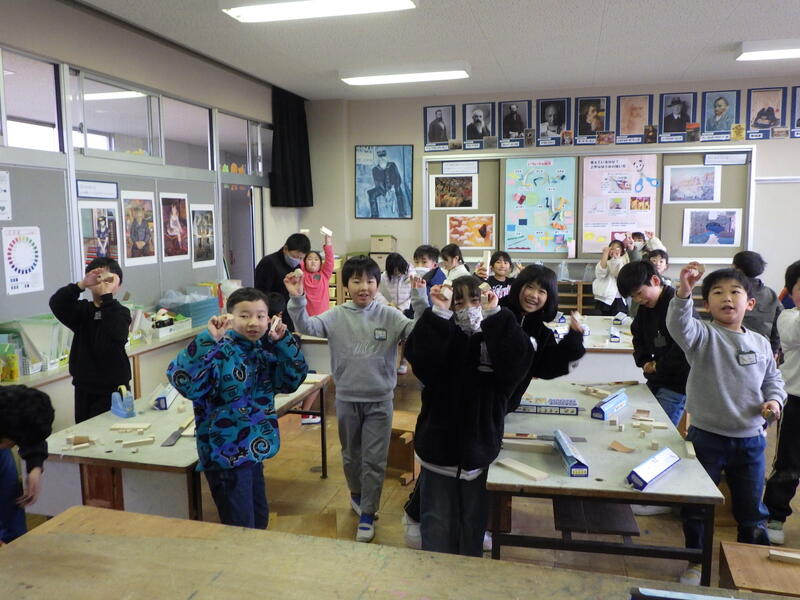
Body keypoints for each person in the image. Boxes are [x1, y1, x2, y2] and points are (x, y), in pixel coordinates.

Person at [285, 255, 428, 543]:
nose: (364, 287)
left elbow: (419, 331)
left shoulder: (389, 315)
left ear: (377, 284)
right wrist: (298, 298)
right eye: (356, 281)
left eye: (370, 281)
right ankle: (357, 494)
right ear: (346, 285)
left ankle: (368, 514)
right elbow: (307, 327)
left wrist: (420, 299)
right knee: (351, 455)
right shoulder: (336, 315)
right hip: (347, 399)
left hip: (380, 401)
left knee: (374, 459)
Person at [667, 263, 786, 586]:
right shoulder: (703, 336)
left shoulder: (760, 343)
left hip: (751, 440)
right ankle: (696, 561)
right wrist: (685, 290)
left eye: (735, 292)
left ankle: (752, 566)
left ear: (750, 303)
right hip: (705, 438)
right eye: (717, 293)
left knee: (751, 510)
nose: (727, 298)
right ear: (707, 305)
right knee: (697, 506)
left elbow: (773, 380)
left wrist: (775, 401)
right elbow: (679, 324)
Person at [404, 276, 533, 556]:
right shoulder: (444, 332)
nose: (467, 308)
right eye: (458, 302)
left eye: (475, 300)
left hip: (480, 451)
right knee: (437, 524)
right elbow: (420, 360)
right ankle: (435, 574)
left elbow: (517, 366)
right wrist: (438, 313)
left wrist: (495, 315)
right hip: (438, 450)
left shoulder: (496, 333)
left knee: (473, 525)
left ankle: (468, 574)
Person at [167, 287, 308, 529]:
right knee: (242, 528)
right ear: (229, 317)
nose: (253, 322)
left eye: (260, 316)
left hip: (253, 452)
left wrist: (283, 342)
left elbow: (291, 380)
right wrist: (207, 339)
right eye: (245, 315)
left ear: (269, 319)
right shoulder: (217, 350)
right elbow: (183, 380)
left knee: (259, 521)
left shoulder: (262, 350)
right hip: (226, 457)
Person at [49, 257, 131, 423]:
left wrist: (107, 296)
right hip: (84, 387)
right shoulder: (82, 311)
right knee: (85, 431)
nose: (102, 283)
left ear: (118, 284)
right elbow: (57, 303)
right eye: (98, 279)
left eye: (108, 280)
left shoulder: (121, 312)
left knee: (114, 431)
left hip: (114, 388)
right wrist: (81, 284)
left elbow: (118, 333)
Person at [618, 261, 691, 426]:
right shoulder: (646, 306)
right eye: (633, 297)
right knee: (642, 422)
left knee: (659, 427)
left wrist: (658, 366)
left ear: (655, 281)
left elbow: (683, 347)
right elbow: (638, 336)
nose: (638, 299)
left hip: (677, 382)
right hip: (657, 378)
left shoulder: (677, 305)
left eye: (639, 293)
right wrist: (644, 361)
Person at [764, 260, 800, 545]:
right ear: (791, 291)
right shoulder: (788, 318)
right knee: (788, 463)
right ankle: (775, 515)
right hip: (795, 399)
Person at [0, 385, 54, 544]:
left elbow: (31, 432)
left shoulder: (12, 402)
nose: (12, 446)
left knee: (12, 508)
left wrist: (35, 467)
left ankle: (16, 546)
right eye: (11, 442)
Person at [254, 232, 311, 332]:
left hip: (290, 313)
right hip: (273, 315)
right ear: (285, 249)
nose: (297, 260)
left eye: (301, 258)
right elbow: (261, 293)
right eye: (295, 257)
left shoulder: (296, 266)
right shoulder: (268, 263)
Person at [731, 251, 783, 356]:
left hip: (732, 348)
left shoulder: (730, 292)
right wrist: (774, 351)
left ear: (736, 268)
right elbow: (778, 325)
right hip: (763, 350)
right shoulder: (770, 294)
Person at [367, 149, 410, 218]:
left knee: (399, 190)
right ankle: (374, 215)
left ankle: (402, 213)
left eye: (383, 157)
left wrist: (393, 187)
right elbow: (378, 183)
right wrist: (385, 192)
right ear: (378, 159)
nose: (382, 159)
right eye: (380, 157)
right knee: (371, 193)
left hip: (393, 186)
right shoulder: (375, 169)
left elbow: (398, 178)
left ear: (386, 157)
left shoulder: (392, 165)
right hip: (382, 188)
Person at [301, 232, 334, 318]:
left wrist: (328, 242)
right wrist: (303, 240)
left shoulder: (324, 274)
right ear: (305, 262)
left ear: (320, 263)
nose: (313, 262)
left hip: (323, 317)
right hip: (306, 317)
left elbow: (330, 260)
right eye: (309, 259)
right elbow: (300, 258)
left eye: (316, 259)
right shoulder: (303, 274)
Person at [592, 240, 628, 315]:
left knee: (618, 319)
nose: (614, 251)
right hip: (604, 299)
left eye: (617, 249)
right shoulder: (604, 261)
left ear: (622, 251)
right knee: (603, 319)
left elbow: (618, 273)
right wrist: (605, 254)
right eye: (612, 249)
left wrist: (616, 259)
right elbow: (601, 273)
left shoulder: (624, 261)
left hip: (619, 298)